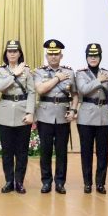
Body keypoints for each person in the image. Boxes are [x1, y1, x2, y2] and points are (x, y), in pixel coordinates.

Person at [34, 39, 78, 194]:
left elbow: (75, 94)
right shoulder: (39, 72)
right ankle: (46, 182)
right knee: (45, 151)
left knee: (61, 152)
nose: (53, 57)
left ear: (61, 56)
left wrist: (73, 110)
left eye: (56, 54)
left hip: (62, 115)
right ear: (46, 56)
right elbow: (41, 89)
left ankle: (60, 182)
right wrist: (58, 78)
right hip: (45, 115)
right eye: (50, 54)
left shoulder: (70, 72)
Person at [0, 40, 35, 194]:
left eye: (15, 51)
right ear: (6, 54)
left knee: (21, 151)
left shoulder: (27, 70)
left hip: (23, 112)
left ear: (19, 53)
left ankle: (19, 181)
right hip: (5, 113)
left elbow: (32, 92)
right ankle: (9, 181)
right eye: (9, 51)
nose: (12, 54)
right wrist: (14, 74)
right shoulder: (0, 70)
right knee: (7, 151)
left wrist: (30, 112)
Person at [75, 43, 108, 194]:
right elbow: (83, 89)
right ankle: (87, 183)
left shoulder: (107, 74)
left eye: (96, 55)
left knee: (102, 152)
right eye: (90, 55)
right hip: (86, 117)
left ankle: (100, 183)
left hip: (104, 116)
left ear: (100, 57)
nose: (93, 58)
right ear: (86, 57)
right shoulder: (81, 74)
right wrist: (98, 80)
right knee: (86, 152)